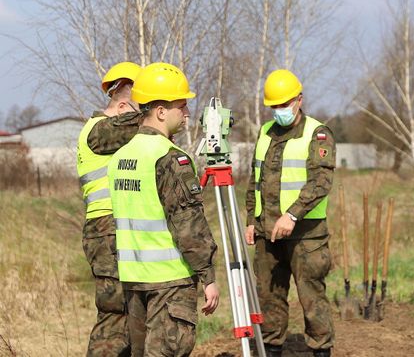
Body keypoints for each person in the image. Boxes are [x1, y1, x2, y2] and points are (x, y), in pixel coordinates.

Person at [108, 62, 219, 356]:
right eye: (181, 106)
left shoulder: (120, 157)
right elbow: (189, 226)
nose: (186, 113)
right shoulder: (169, 158)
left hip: (134, 281)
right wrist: (208, 277)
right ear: (160, 111)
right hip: (169, 282)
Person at [245, 69, 335, 357]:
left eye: (284, 104)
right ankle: (271, 350)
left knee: (312, 301)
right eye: (275, 106)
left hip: (305, 235)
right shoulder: (264, 133)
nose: (280, 110)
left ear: (299, 99)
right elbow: (254, 179)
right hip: (267, 233)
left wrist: (293, 214)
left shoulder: (318, 133)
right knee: (269, 299)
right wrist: (251, 220)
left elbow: (321, 181)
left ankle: (320, 350)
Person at [77, 61, 142, 356]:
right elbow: (147, 124)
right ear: (124, 106)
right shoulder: (98, 131)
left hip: (117, 229)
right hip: (106, 230)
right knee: (115, 315)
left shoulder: (110, 134)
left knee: (130, 313)